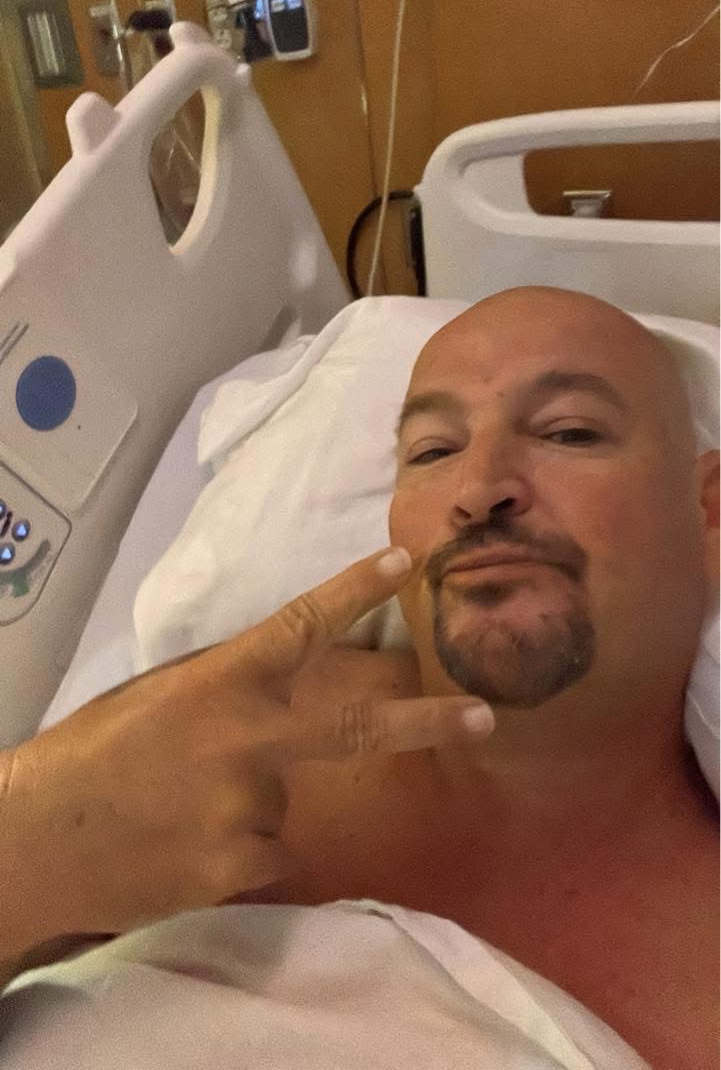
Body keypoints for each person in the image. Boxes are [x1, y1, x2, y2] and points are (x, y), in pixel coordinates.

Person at [0, 288, 717, 1070]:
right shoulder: (219, 735)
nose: (478, 489)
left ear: (709, 514)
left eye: (567, 432)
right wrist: (25, 857)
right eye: (432, 452)